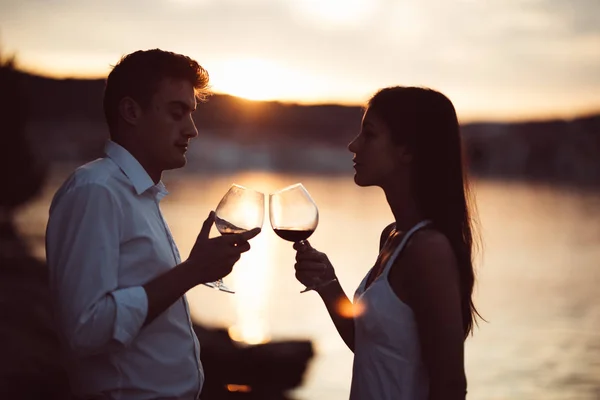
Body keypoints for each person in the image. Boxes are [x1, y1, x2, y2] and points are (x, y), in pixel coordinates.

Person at [45, 49, 260, 400]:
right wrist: (190, 272)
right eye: (178, 113)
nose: (191, 130)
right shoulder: (95, 190)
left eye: (191, 115)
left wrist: (195, 271)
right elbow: (85, 329)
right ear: (131, 111)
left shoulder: (140, 195)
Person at [294, 86, 481, 400]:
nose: (354, 145)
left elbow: (450, 386)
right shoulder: (393, 236)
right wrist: (328, 285)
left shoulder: (428, 250)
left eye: (369, 134)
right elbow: (369, 345)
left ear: (407, 150)